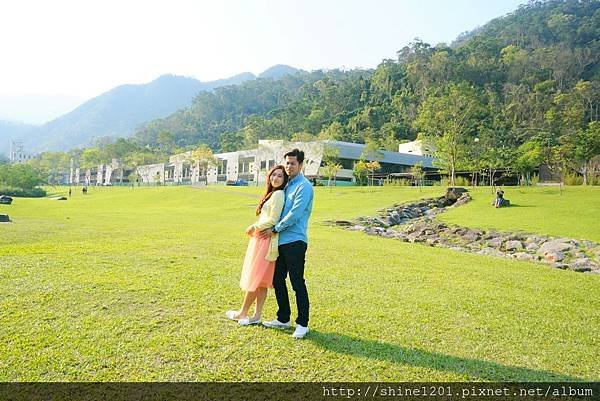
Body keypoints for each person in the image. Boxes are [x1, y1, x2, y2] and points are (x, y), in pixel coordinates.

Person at [260, 149, 314, 339]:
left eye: (292, 163)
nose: (289, 166)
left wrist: (275, 228)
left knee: (297, 282)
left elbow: (295, 214)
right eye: (287, 163)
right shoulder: (286, 185)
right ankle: (283, 318)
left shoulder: (304, 187)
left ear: (300, 165)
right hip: (280, 241)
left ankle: (303, 323)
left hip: (295, 241)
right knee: (277, 280)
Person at [226, 165, 288, 325]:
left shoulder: (279, 194)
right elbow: (265, 218)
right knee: (260, 280)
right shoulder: (272, 194)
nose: (275, 178)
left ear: (284, 180)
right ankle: (256, 315)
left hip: (265, 241)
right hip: (260, 239)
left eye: (280, 176)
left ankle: (243, 312)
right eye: (274, 175)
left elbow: (274, 219)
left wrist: (255, 227)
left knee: (256, 277)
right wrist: (256, 225)